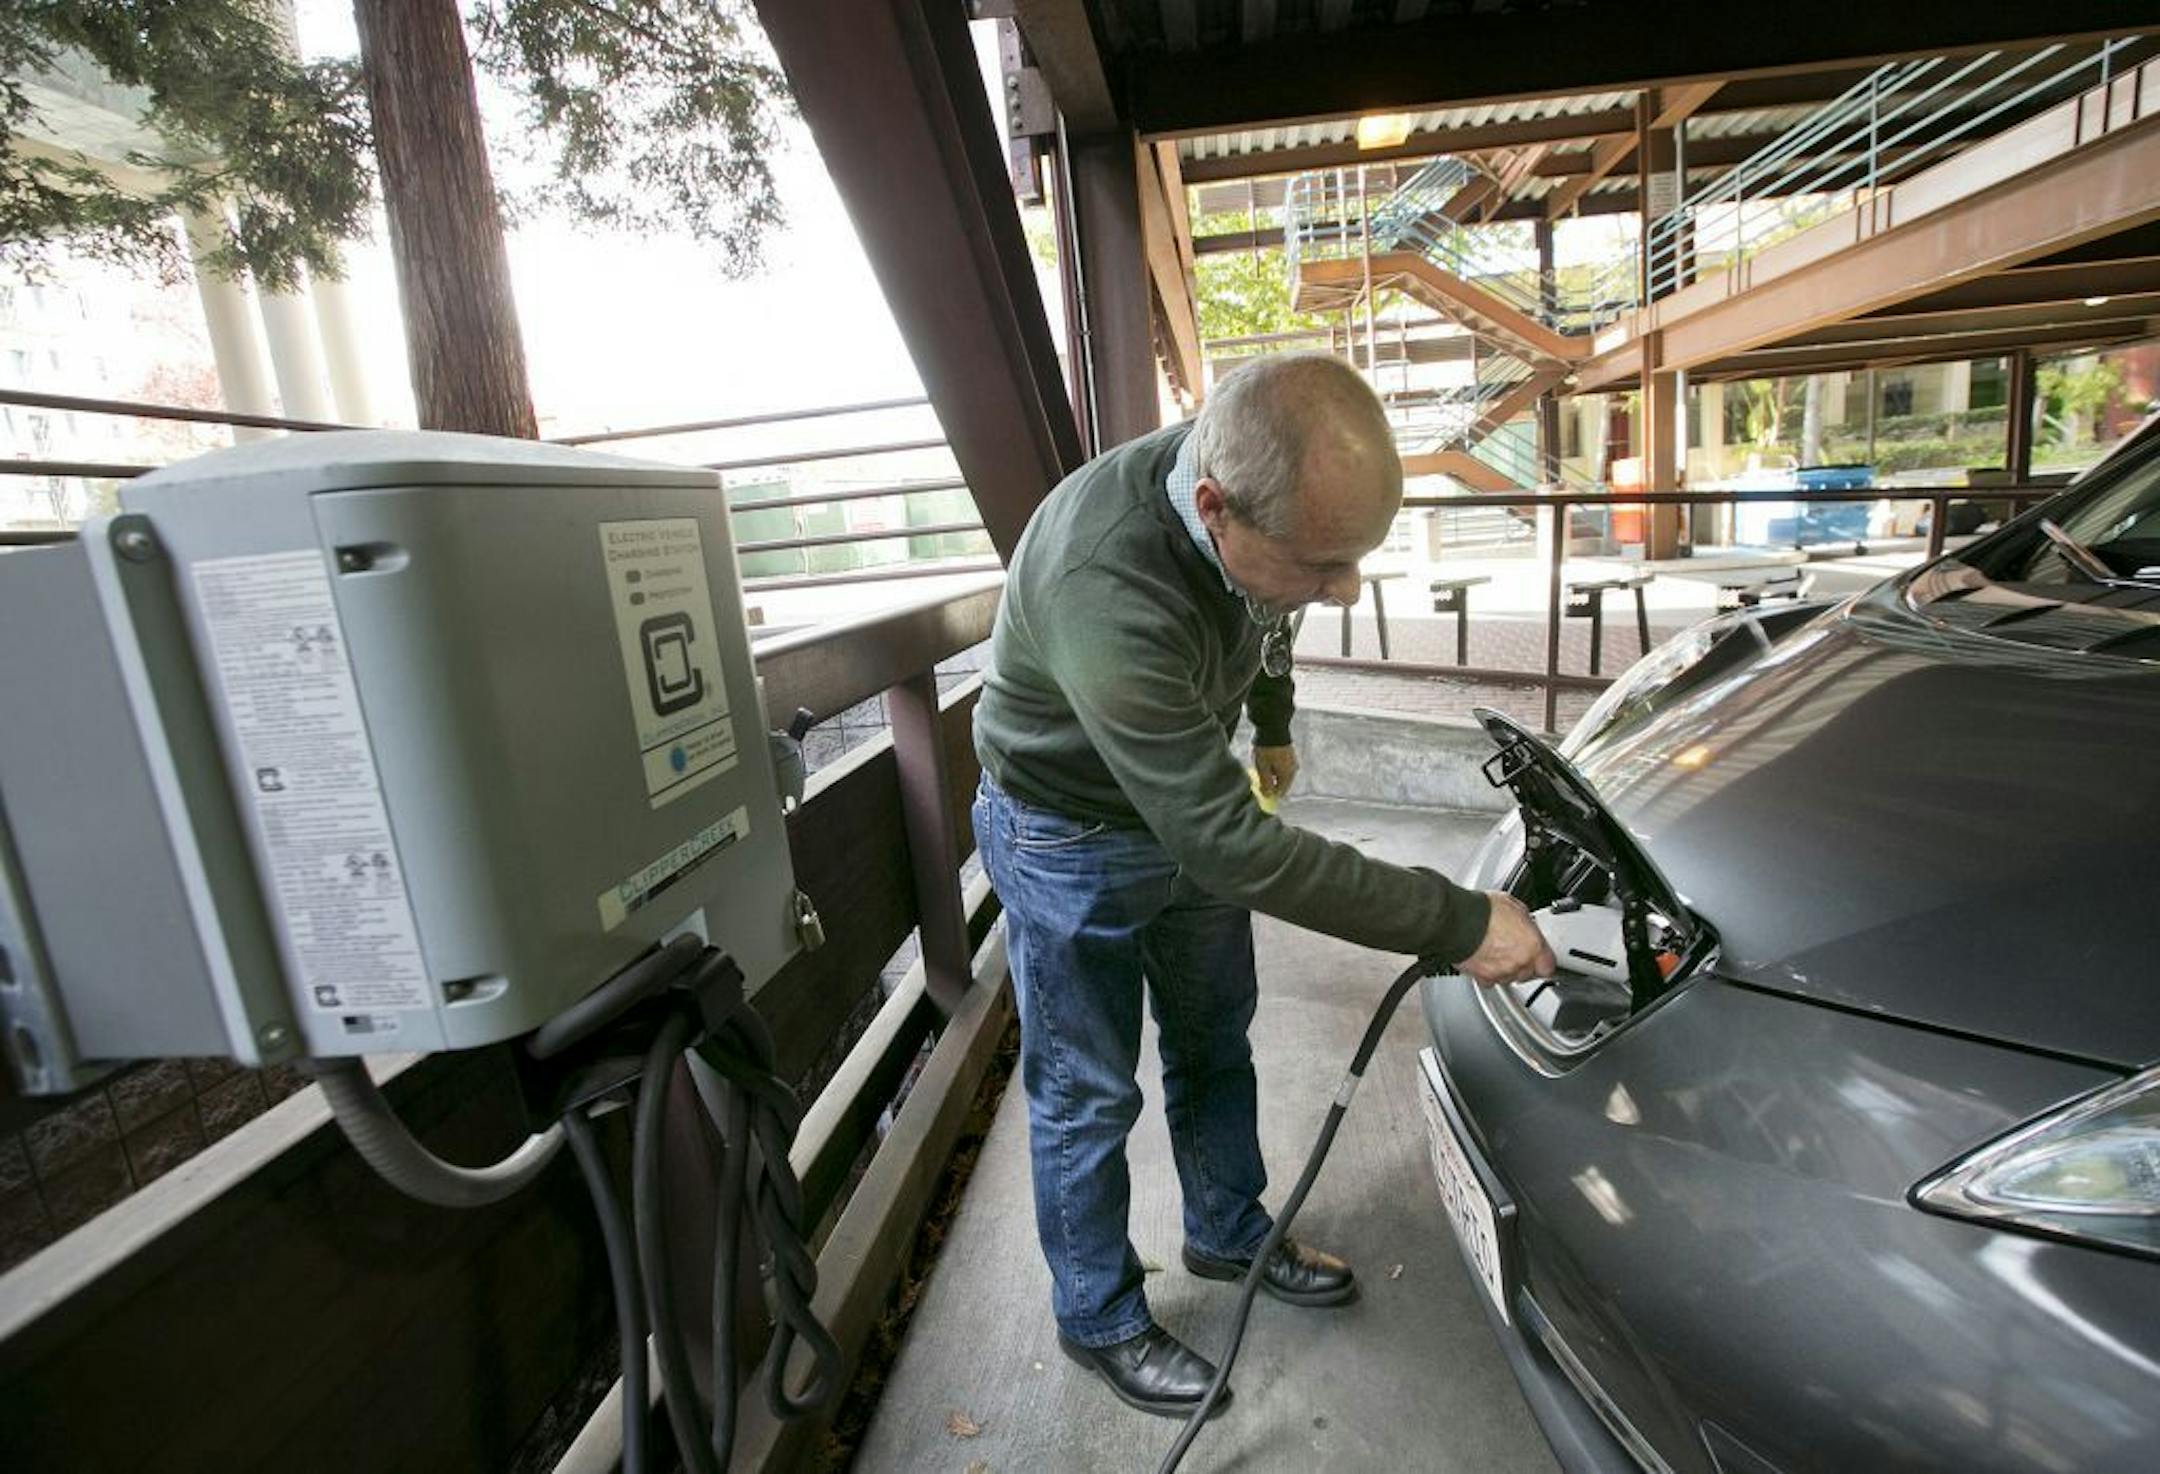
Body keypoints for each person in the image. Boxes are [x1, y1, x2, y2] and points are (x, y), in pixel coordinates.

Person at [970, 352, 1555, 1420]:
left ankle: (1225, 1225)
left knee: (1212, 1031)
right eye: (1323, 563)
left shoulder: (1246, 494)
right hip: (1070, 832)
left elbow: (1265, 623)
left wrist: (1273, 726)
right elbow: (1234, 847)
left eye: (1358, 558)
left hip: (1182, 792)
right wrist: (1459, 920)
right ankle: (1096, 1312)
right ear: (1213, 507)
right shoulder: (1102, 582)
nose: (1348, 589)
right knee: (1088, 1087)